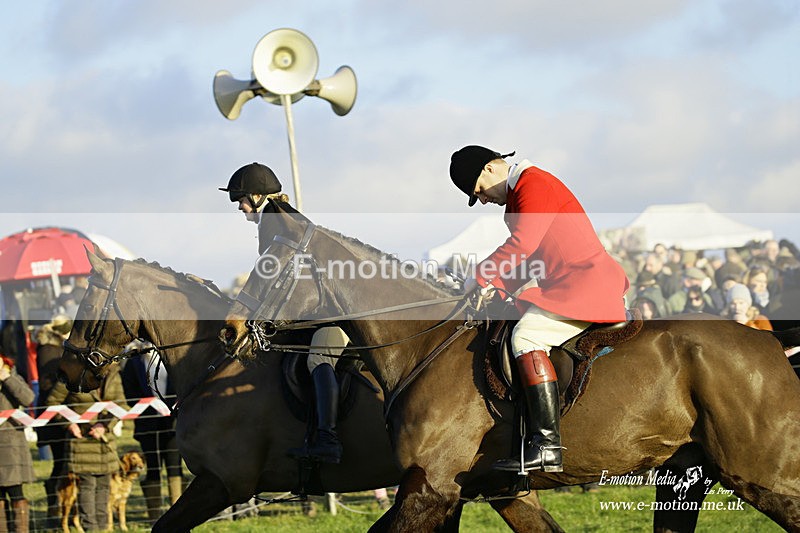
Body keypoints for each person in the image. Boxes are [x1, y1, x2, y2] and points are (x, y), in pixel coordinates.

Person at [449, 145, 629, 473]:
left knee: (526, 338)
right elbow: (529, 259)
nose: (484, 200)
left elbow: (523, 245)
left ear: (490, 168)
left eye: (479, 191)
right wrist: (496, 287)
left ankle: (546, 444)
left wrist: (480, 276)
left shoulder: (534, 184)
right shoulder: (519, 198)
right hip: (568, 285)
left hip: (585, 285)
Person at [221, 162, 346, 463]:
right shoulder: (274, 219)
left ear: (256, 195)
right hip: (311, 315)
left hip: (330, 313)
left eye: (241, 200)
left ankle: (327, 438)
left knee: (318, 358)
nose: (239, 207)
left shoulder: (280, 219)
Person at [46, 366, 126, 531]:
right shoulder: (72, 374)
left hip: (105, 442)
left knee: (104, 486)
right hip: (81, 442)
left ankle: (103, 528)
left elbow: (121, 405)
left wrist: (105, 425)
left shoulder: (114, 375)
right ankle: (91, 528)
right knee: (87, 487)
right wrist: (69, 424)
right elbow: (52, 402)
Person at [120, 341, 184, 523]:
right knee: (153, 469)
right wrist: (145, 408)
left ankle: (178, 514)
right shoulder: (134, 363)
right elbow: (129, 391)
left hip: (172, 423)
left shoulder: (172, 358)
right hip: (147, 424)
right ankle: (154, 515)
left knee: (174, 468)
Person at [34, 314, 73, 528]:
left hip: (59, 412)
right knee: (59, 465)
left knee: (62, 464)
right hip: (54, 415)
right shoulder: (49, 350)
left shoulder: (54, 347)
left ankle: (61, 510)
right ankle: (53, 510)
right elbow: (51, 383)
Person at [0, 355, 35, 533]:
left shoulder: (13, 376)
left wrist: (7, 379)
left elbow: (28, 397)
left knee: (16, 492)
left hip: (11, 445)